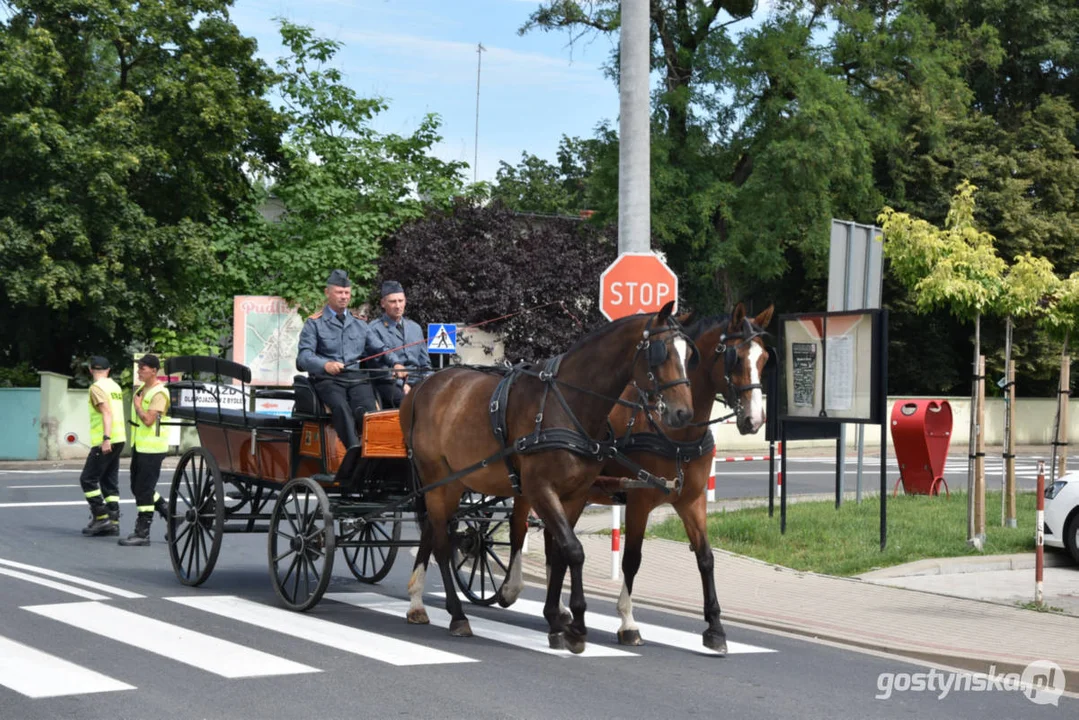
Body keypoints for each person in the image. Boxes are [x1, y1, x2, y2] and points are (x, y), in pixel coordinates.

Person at [296, 269, 392, 448]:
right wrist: (326, 364)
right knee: (341, 409)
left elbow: (380, 349)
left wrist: (396, 363)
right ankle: (353, 452)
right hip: (328, 380)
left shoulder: (359, 323)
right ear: (327, 293)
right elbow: (304, 357)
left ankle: (373, 453)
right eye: (339, 292)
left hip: (356, 379)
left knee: (368, 411)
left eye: (346, 293)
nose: (344, 296)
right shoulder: (314, 323)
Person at [119, 354, 170, 547]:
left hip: (153, 448)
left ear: (154, 371)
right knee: (137, 487)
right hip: (140, 446)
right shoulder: (142, 389)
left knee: (144, 489)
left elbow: (149, 420)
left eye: (143, 368)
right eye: (138, 368)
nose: (139, 371)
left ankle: (143, 532)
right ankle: (170, 514)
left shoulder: (159, 393)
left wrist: (138, 407)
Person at [78, 356, 127, 536]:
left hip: (106, 440)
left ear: (91, 370)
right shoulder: (114, 386)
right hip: (120, 438)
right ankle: (113, 521)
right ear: (108, 370)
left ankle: (101, 517)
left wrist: (106, 438)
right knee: (108, 480)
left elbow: (106, 412)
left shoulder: (96, 388)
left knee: (88, 479)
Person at [368, 280, 432, 409]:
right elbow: (378, 368)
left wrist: (430, 382)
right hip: (390, 383)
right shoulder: (374, 329)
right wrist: (402, 384)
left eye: (401, 301)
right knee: (410, 405)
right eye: (393, 302)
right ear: (383, 303)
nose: (398, 306)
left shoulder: (415, 328)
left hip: (418, 382)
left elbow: (425, 364)